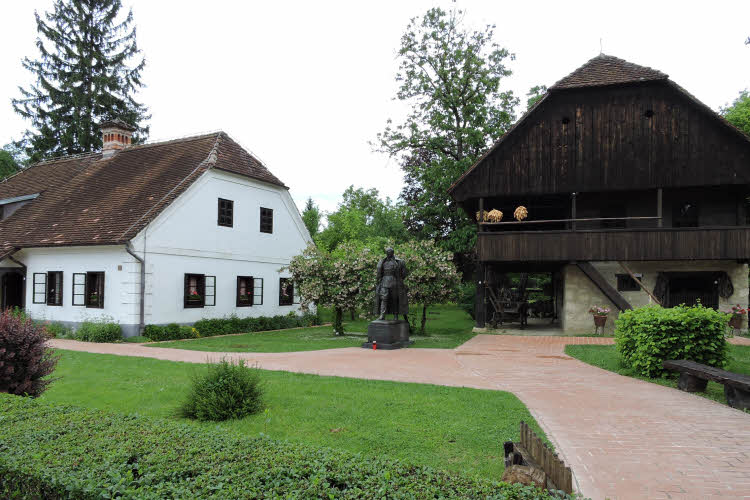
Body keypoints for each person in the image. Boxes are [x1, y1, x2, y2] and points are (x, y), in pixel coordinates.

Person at [374, 247, 408, 321]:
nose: (388, 254)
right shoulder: (382, 261)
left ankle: (395, 315)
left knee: (394, 299)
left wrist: (399, 280)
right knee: (384, 298)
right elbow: (379, 274)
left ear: (393, 253)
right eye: (387, 253)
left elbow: (404, 274)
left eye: (390, 252)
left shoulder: (399, 262)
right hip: (384, 282)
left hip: (395, 283)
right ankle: (382, 315)